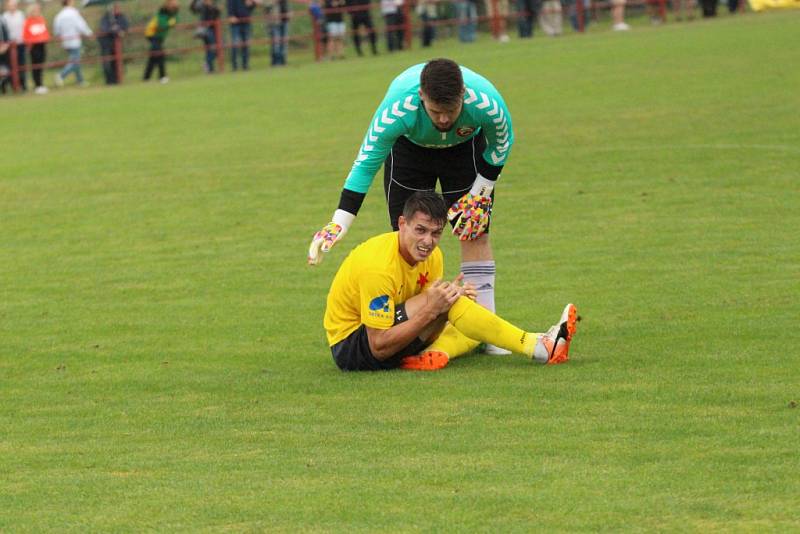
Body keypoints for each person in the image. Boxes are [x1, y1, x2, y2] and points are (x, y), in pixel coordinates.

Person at [309, 58, 515, 356]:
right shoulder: (397, 110)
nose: (443, 120)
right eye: (435, 111)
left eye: (451, 112)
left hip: (464, 151)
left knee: (474, 231)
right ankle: (415, 332)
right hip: (409, 152)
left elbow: (501, 144)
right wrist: (338, 223)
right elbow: (366, 163)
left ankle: (488, 332)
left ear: (464, 96)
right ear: (421, 96)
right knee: (409, 240)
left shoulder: (486, 103)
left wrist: (480, 193)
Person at [324, 191, 579, 371]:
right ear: (402, 224)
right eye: (420, 230)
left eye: (436, 233)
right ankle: (539, 346)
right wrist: (435, 308)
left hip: (390, 334)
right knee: (448, 304)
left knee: (457, 306)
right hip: (353, 348)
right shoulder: (378, 266)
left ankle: (436, 353)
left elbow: (427, 314)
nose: (427, 242)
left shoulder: (433, 256)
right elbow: (378, 345)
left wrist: (445, 303)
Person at [53, 0, 92, 88]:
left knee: (75, 60)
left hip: (65, 42)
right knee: (75, 61)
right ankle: (61, 75)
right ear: (69, 2)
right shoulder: (73, 13)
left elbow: (57, 30)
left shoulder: (60, 15)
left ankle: (80, 81)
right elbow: (81, 25)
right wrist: (89, 33)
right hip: (74, 41)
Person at [143, 0, 179, 83]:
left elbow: (176, 19)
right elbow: (162, 24)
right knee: (160, 55)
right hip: (152, 35)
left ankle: (146, 78)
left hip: (158, 37)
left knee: (153, 57)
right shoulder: (162, 12)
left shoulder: (171, 14)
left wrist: (172, 21)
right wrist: (170, 23)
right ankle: (162, 76)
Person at [97, 2, 128, 85]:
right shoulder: (106, 18)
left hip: (116, 45)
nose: (117, 9)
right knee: (107, 63)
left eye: (117, 7)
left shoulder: (121, 17)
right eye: (115, 7)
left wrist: (117, 29)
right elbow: (104, 28)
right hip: (106, 44)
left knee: (117, 62)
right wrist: (115, 29)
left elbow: (125, 26)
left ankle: (117, 80)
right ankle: (109, 82)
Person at [22, 2, 48, 94]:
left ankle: (41, 84)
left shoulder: (41, 19)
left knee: (41, 64)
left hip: (42, 45)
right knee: (35, 65)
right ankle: (37, 85)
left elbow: (45, 32)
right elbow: (26, 35)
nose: (37, 11)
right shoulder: (28, 21)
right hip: (33, 46)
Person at [191, 0, 221, 73]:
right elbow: (193, 9)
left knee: (215, 49)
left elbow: (217, 14)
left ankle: (208, 65)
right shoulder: (202, 6)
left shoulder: (214, 6)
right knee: (210, 49)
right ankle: (209, 68)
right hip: (206, 31)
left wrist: (213, 7)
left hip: (214, 30)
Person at [227, 0, 257, 71]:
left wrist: (252, 4)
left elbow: (251, 7)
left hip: (246, 22)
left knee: (246, 44)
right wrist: (231, 15)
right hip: (235, 24)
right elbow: (230, 5)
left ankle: (245, 65)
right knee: (235, 44)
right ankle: (235, 67)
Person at [2, 0, 25, 91]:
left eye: (14, 5)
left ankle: (23, 85)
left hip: (20, 44)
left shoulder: (21, 15)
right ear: (7, 6)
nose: (12, 7)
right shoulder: (4, 17)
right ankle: (12, 86)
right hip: (9, 46)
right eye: (10, 5)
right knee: (10, 66)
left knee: (21, 65)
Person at [264, 0, 289, 66]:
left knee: (284, 43)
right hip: (274, 22)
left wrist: (289, 12)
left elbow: (287, 4)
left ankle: (283, 61)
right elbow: (265, 5)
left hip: (284, 20)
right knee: (276, 43)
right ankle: (276, 62)